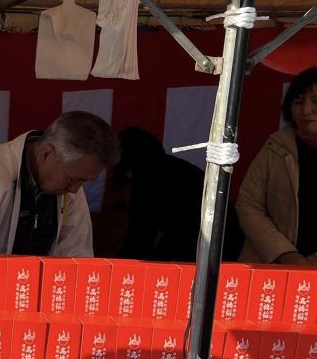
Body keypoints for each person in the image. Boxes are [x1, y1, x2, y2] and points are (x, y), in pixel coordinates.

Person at [0, 111, 120, 256]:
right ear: (46, 154)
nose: (74, 189)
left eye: (83, 181)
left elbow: (77, 256)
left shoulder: (70, 183)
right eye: (72, 179)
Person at [113, 126, 244, 262]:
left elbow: (140, 237)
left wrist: (116, 265)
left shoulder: (147, 177)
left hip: (208, 239)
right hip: (223, 236)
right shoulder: (170, 167)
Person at [237, 67, 317, 265]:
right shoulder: (275, 148)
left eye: (315, 102)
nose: (306, 110)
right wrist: (286, 254)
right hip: (272, 267)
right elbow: (248, 205)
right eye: (298, 102)